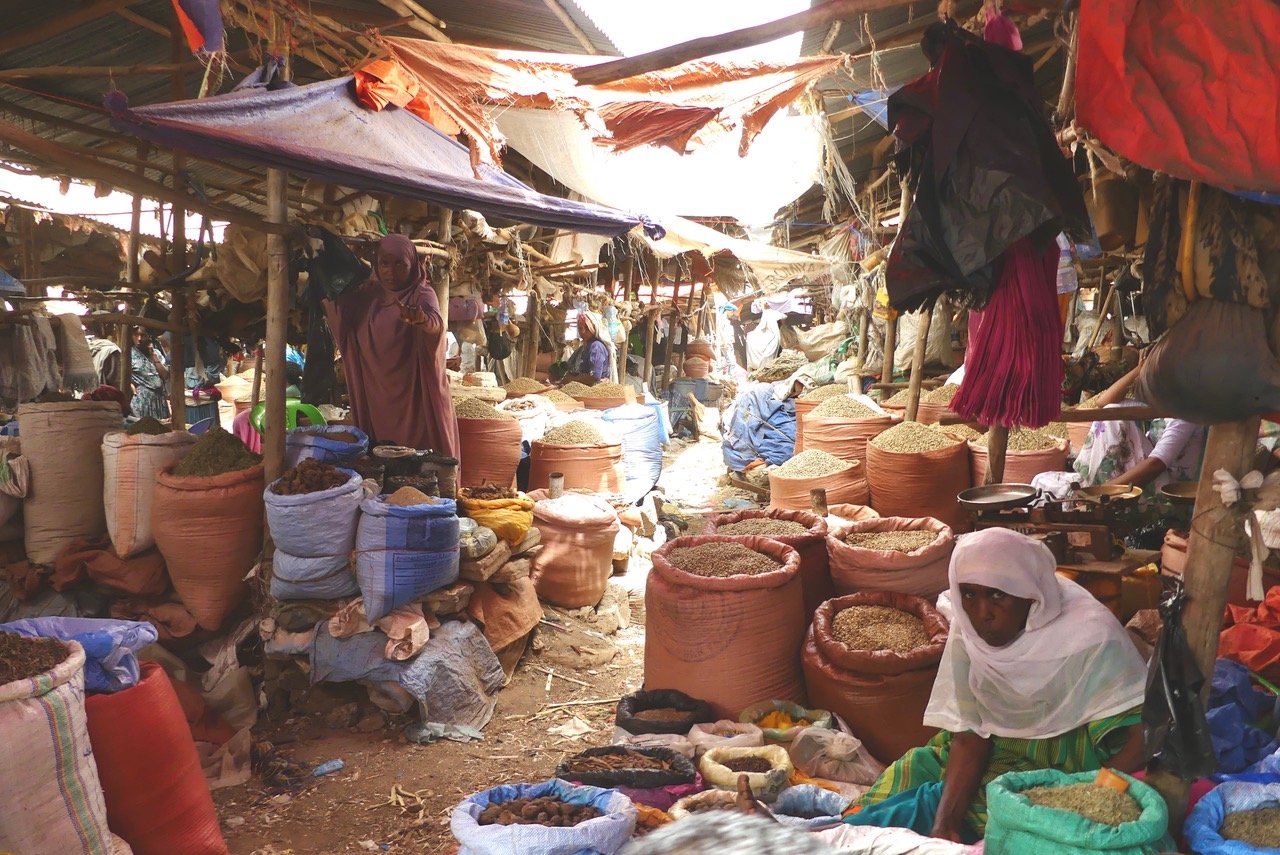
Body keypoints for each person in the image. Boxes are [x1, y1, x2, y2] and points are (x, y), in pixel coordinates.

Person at [845, 528, 1147, 842]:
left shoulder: (1089, 635)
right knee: (913, 775)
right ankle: (845, 833)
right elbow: (970, 735)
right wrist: (944, 826)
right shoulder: (970, 632)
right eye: (970, 594)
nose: (981, 613)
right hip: (994, 748)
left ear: (1030, 595)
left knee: (988, 813)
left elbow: (1141, 736)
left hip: (1065, 763)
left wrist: (1094, 795)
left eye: (997, 595)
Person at [325, 234, 459, 457]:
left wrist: (422, 320)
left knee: (420, 457)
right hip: (376, 394)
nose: (391, 272)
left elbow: (436, 324)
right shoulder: (367, 295)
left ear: (412, 264)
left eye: (400, 264)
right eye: (384, 264)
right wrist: (352, 257)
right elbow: (338, 309)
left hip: (415, 396)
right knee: (381, 454)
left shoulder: (421, 293)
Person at [1073, 352, 1205, 490]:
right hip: (1146, 474)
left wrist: (1104, 491)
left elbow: (1156, 464)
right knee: (1112, 412)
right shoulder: (1161, 405)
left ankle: (1095, 489)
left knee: (1114, 420)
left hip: (1167, 488)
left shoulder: (1186, 411)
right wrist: (1139, 368)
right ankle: (1093, 486)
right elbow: (1104, 403)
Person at [561, 310, 615, 385]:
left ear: (594, 329)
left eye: (587, 328)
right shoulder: (586, 346)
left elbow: (595, 377)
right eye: (580, 328)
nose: (582, 331)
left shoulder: (596, 346)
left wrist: (572, 380)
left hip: (595, 389)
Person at [129, 327, 170, 420]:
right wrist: (130, 384)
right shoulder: (129, 354)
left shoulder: (156, 353)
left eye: (142, 335)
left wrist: (154, 356)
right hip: (142, 400)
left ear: (148, 336)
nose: (139, 338)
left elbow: (165, 375)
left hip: (159, 399)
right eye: (136, 335)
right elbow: (122, 375)